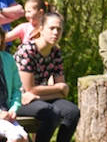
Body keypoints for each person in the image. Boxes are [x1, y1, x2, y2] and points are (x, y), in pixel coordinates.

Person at [14, 12, 80, 142]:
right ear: (41, 29)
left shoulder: (55, 52)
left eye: (59, 29)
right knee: (51, 113)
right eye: (52, 28)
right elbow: (28, 89)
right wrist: (57, 88)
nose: (55, 32)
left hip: (39, 98)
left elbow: (63, 91)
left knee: (72, 112)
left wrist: (44, 93)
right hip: (18, 100)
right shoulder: (27, 50)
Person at [0, 20, 28, 142]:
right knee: (14, 136)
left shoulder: (8, 59)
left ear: (2, 37)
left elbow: (17, 89)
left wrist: (14, 109)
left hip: (6, 113)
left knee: (24, 137)